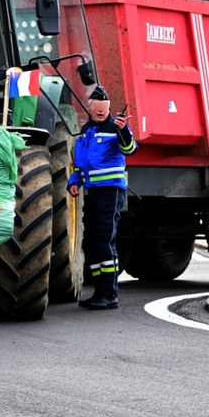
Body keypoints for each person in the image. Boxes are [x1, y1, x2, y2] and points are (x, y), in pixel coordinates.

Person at [67, 85, 137, 310]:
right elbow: (80, 164)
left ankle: (109, 294)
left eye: (104, 110)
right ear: (89, 108)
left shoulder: (115, 128)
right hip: (94, 192)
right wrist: (74, 182)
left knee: (104, 241)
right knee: (91, 242)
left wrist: (124, 130)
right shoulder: (86, 131)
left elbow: (130, 149)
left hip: (111, 191)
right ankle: (99, 291)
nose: (101, 113)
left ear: (109, 109)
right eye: (97, 110)